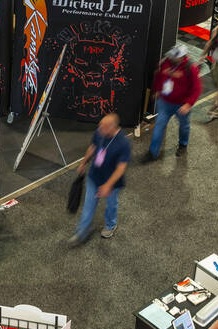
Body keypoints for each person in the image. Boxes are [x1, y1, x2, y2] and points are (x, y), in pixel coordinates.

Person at [69, 113, 130, 245]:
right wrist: (84, 162)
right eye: (100, 124)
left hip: (112, 183)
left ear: (112, 127)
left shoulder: (123, 143)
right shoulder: (100, 132)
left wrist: (108, 185)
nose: (99, 127)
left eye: (103, 126)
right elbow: (93, 147)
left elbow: (121, 168)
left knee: (111, 205)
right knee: (88, 205)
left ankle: (110, 225)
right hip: (94, 176)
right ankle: (82, 231)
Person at [143, 44, 201, 160]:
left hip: (181, 105)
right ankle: (153, 153)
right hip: (165, 102)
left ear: (182, 57)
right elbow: (159, 76)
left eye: (175, 57)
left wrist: (188, 104)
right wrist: (157, 90)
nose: (171, 58)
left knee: (184, 126)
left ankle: (183, 144)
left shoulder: (191, 68)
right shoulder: (166, 62)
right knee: (159, 126)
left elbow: (197, 89)